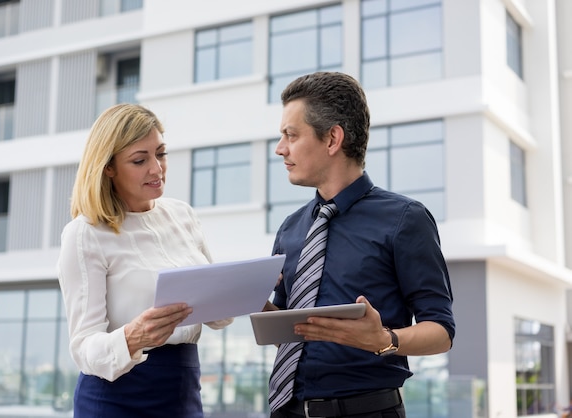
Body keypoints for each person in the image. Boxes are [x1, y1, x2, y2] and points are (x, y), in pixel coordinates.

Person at [265, 71, 455, 418]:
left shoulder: (405, 219)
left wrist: (384, 340)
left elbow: (441, 331)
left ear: (332, 139)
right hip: (287, 410)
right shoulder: (290, 229)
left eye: (291, 135)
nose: (280, 149)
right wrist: (249, 301)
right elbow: (290, 334)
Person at [57, 103, 232, 418]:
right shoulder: (85, 234)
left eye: (161, 154)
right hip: (116, 399)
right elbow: (83, 348)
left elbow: (216, 317)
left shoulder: (183, 215)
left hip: (182, 390)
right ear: (108, 167)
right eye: (140, 160)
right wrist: (131, 337)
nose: (157, 168)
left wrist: (245, 287)